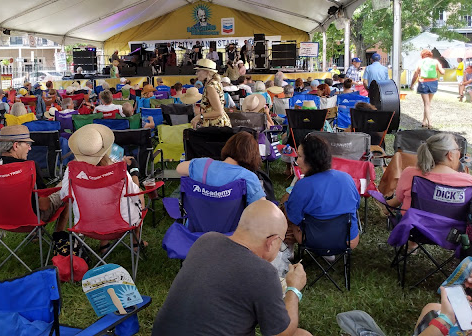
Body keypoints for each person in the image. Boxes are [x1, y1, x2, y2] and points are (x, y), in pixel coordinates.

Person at [152, 199, 310, 336]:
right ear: (272, 241)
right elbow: (281, 333)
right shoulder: (263, 272)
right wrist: (294, 289)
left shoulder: (206, 240)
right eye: (281, 243)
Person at [59, 124, 145, 252]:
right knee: (139, 194)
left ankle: (104, 245)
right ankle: (136, 243)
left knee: (98, 199)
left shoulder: (72, 171)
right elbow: (134, 194)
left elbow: (64, 195)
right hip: (121, 224)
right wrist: (134, 174)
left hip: (85, 224)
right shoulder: (117, 168)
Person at [0, 126, 68, 225]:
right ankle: (59, 233)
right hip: (30, 220)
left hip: (1, 219)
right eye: (28, 144)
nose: (30, 148)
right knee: (66, 190)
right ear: (16, 146)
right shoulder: (30, 167)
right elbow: (43, 206)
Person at [284, 135, 361, 249]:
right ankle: (329, 253)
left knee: (287, 209)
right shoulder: (347, 178)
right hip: (348, 240)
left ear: (311, 159)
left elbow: (293, 217)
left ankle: (287, 248)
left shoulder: (302, 185)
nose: (297, 161)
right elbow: (356, 205)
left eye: (299, 156)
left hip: (313, 241)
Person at [387, 133, 472, 213]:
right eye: (458, 150)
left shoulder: (410, 174)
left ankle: (386, 207)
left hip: (414, 225)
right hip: (455, 227)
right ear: (450, 155)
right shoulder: (470, 182)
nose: (460, 153)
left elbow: (400, 197)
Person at [176, 131, 266, 204]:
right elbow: (262, 208)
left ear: (228, 146)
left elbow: (179, 169)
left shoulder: (202, 164)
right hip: (234, 221)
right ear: (252, 156)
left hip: (197, 220)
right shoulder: (248, 177)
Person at [410, 49, 445, 128]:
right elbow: (442, 72)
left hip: (423, 82)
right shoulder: (435, 62)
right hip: (433, 82)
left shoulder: (420, 62)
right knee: (428, 103)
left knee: (426, 103)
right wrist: (439, 68)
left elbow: (416, 74)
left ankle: (430, 122)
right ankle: (424, 121)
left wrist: (412, 84)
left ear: (422, 55)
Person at [191, 59, 231, 129]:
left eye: (198, 71)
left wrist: (200, 116)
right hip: (219, 124)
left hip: (216, 126)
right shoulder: (215, 83)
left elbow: (218, 112)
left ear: (207, 72)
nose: (196, 73)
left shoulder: (210, 87)